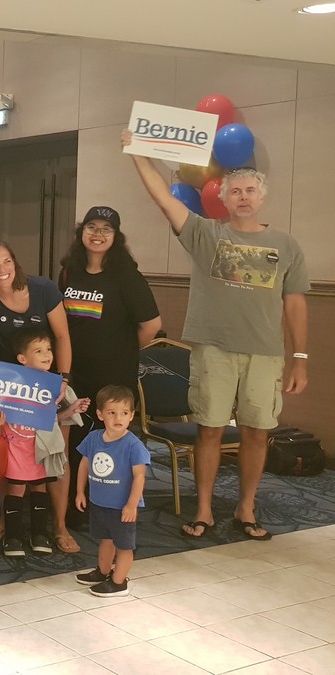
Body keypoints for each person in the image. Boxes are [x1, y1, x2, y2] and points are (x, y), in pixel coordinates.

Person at [124, 131, 308, 541]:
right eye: (236, 191)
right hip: (213, 351)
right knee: (209, 429)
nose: (243, 197)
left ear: (261, 198)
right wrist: (137, 153)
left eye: (250, 191)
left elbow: (295, 304)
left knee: (258, 432)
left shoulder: (286, 245)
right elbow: (163, 198)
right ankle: (204, 509)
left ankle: (246, 508)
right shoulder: (206, 235)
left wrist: (301, 358)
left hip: (265, 355)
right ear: (223, 198)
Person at [0, 238, 79, 552]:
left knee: (56, 452)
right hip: (11, 385)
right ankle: (6, 521)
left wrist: (64, 380)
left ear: (15, 262)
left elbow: (62, 336)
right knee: (11, 451)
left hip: (50, 381)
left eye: (6, 261)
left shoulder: (43, 289)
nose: (1, 270)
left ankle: (58, 526)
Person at [57, 206, 161, 527]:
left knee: (109, 443)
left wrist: (124, 351)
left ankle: (109, 506)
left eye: (106, 228)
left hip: (113, 376)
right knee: (76, 440)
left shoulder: (126, 276)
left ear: (116, 237)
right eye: (91, 226)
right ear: (81, 232)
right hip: (77, 374)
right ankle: (76, 505)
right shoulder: (68, 271)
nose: (98, 234)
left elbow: (151, 325)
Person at [0, 327, 90, 557]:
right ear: (22, 358)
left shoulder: (53, 385)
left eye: (48, 349)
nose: (47, 354)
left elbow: (50, 418)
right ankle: (13, 537)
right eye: (39, 350)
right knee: (16, 489)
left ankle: (39, 534)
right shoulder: (10, 384)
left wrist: (71, 410)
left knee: (40, 487)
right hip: (17, 448)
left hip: (40, 450)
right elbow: (0, 413)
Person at [74, 385, 150, 598]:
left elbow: (139, 476)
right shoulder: (93, 438)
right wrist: (80, 492)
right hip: (99, 503)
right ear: (100, 414)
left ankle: (119, 582)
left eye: (124, 413)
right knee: (104, 540)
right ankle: (103, 572)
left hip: (122, 507)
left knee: (124, 546)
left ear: (131, 416)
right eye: (112, 412)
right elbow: (84, 465)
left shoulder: (133, 446)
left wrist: (132, 504)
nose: (118, 418)